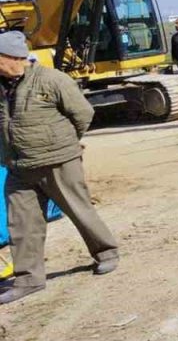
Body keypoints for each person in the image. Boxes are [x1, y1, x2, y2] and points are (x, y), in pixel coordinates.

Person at [0, 31, 120, 305]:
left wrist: (64, 144)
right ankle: (29, 279)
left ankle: (107, 253)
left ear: (13, 57)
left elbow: (83, 114)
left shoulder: (52, 80)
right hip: (18, 166)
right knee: (22, 223)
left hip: (58, 161)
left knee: (79, 209)